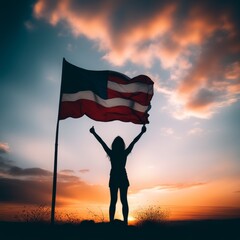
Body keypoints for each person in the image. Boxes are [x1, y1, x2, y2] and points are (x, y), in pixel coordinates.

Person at [89, 125, 146, 225]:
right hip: (122, 177)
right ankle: (125, 222)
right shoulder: (124, 153)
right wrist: (141, 133)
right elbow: (134, 141)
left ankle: (113, 222)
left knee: (114, 201)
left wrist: (94, 133)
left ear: (114, 145)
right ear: (122, 145)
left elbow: (102, 142)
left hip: (115, 177)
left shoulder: (112, 153)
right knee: (123, 200)